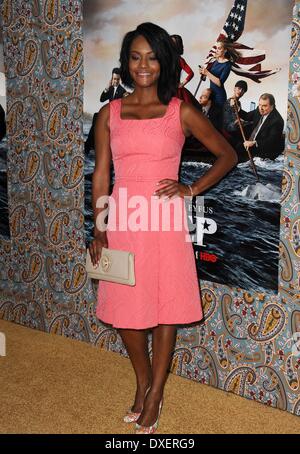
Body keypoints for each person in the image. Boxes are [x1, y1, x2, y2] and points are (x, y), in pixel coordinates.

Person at [89, 22, 237, 434]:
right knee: (125, 311)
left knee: (164, 307)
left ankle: (155, 393)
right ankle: (142, 379)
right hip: (122, 217)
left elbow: (227, 155)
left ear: (165, 61)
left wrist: (190, 188)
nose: (143, 65)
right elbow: (102, 173)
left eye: (152, 57)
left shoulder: (180, 111)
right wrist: (99, 226)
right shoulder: (109, 113)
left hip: (164, 219)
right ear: (126, 62)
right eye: (135, 57)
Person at [237, 93, 284, 162]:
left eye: (264, 106)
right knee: (236, 148)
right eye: (260, 105)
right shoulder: (259, 109)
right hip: (251, 143)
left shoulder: (277, 121)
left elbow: (271, 141)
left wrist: (254, 142)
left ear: (272, 106)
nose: (261, 108)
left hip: (264, 149)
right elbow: (247, 116)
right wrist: (238, 109)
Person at [199, 39, 239, 107]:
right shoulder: (214, 61)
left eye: (219, 48)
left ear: (225, 50)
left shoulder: (227, 65)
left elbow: (219, 83)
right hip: (211, 95)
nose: (216, 50)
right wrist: (203, 73)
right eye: (216, 48)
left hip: (219, 97)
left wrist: (207, 73)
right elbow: (207, 77)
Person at [222, 80, 248, 146]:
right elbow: (226, 124)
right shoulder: (228, 102)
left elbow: (238, 117)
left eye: (243, 90)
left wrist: (241, 121)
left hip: (236, 129)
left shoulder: (238, 103)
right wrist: (236, 122)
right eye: (239, 88)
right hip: (230, 131)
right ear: (234, 88)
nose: (240, 91)